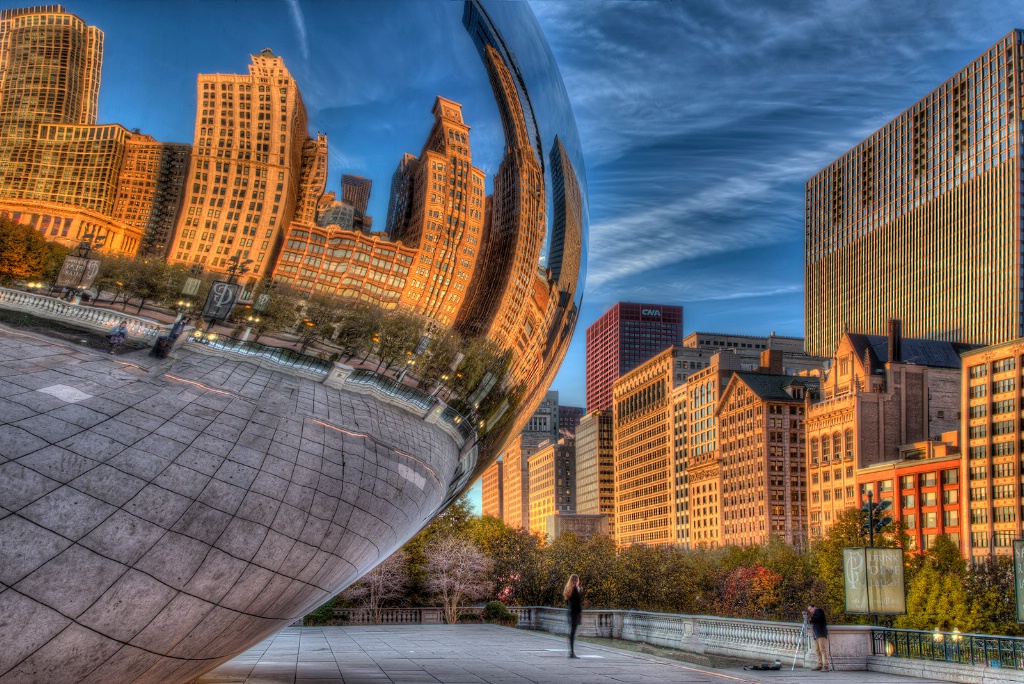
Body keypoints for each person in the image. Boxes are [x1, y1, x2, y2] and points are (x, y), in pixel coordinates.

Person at [563, 574, 582, 658]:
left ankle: (571, 651)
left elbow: (568, 602)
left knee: (571, 633)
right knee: (572, 633)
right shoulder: (575, 589)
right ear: (576, 580)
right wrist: (580, 610)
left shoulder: (568, 589)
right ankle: (572, 652)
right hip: (575, 613)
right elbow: (577, 602)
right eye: (578, 580)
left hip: (570, 612)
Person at [808, 603, 829, 672]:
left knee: (822, 649)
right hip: (816, 634)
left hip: (820, 634)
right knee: (817, 650)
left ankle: (825, 665)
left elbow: (819, 618)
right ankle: (819, 664)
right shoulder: (815, 614)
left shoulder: (819, 611)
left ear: (814, 607)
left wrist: (812, 619)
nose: (810, 611)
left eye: (811, 609)